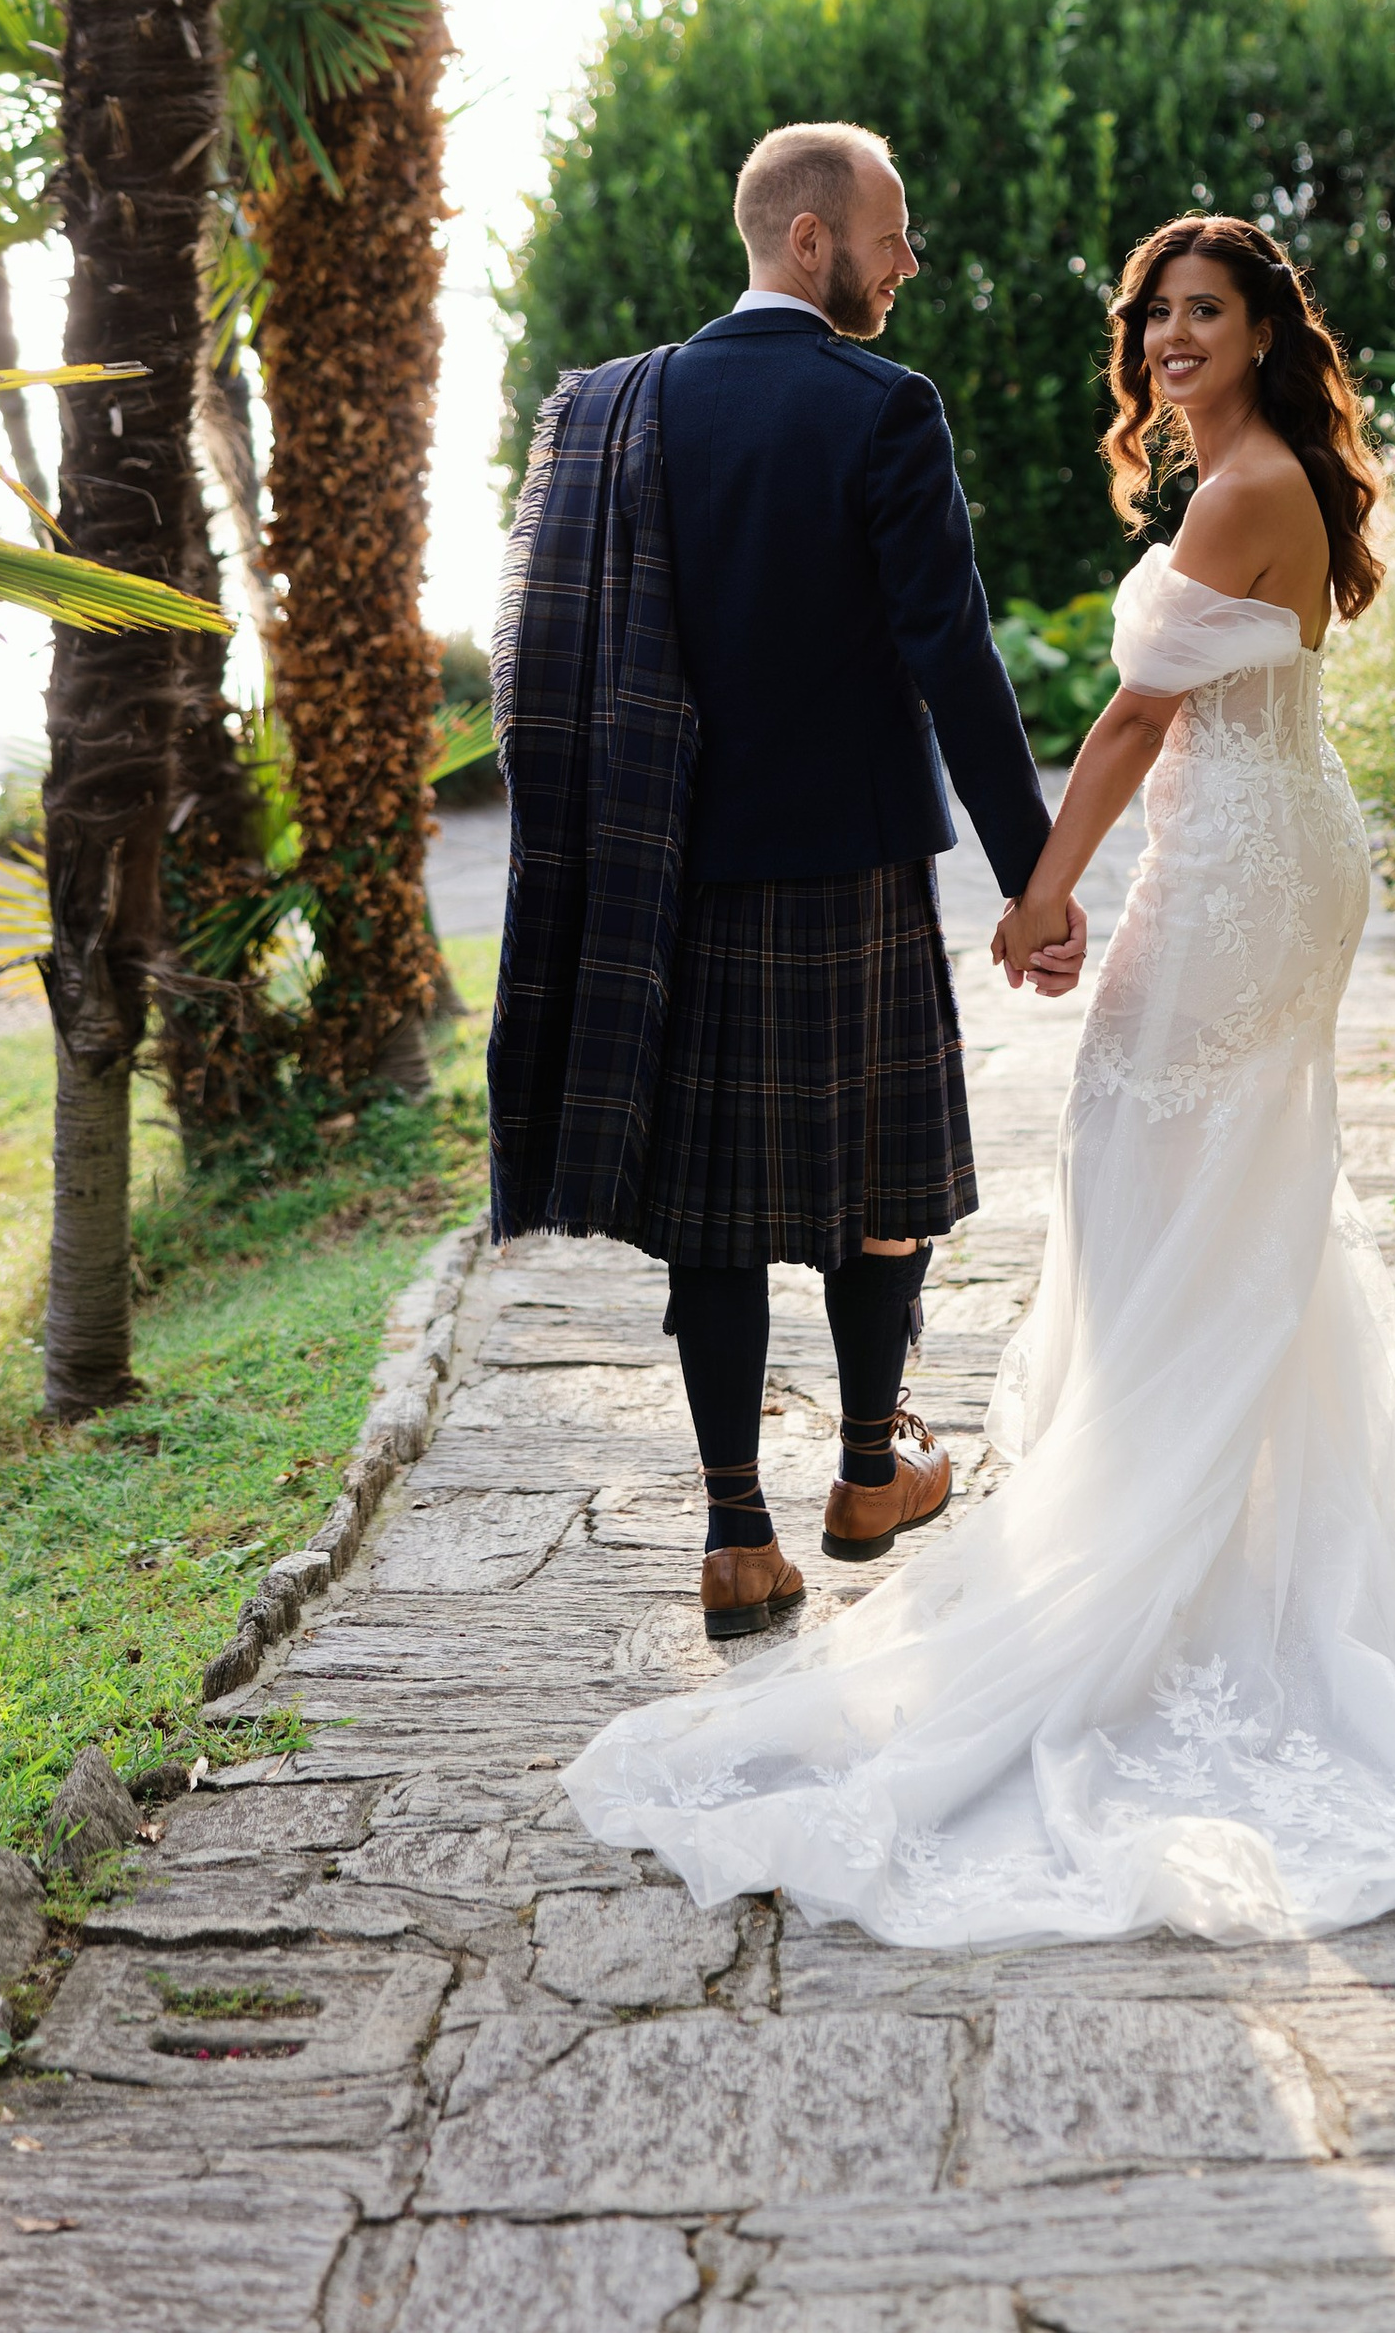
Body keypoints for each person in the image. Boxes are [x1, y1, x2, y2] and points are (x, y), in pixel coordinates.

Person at [561, 214, 1395, 1945]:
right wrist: (1066, 881)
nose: (1175, 339)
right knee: (1204, 1201)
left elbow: (1125, 721)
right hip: (1246, 854)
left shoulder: (1245, 487)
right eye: (1159, 317)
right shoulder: (1239, 481)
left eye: (1208, 312)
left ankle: (1173, 1574)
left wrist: (1043, 891)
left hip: (1246, 874)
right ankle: (1204, 1557)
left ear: (1268, 330)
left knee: (1157, 1184)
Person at [487, 120, 1084, 1645]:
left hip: (673, 872)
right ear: (810, 241)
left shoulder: (628, 410)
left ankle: (736, 1532)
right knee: (883, 1183)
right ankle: (875, 1471)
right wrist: (1038, 877)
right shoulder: (884, 409)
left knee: (716, 1212)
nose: (907, 260)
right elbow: (950, 653)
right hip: (855, 871)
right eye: (892, 231)